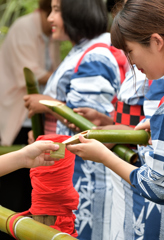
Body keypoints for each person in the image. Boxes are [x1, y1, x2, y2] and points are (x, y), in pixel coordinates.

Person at [66, 0, 164, 239]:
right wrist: (159, 126)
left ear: (156, 42)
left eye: (130, 51)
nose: (131, 62)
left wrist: (103, 156)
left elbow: (160, 187)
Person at [24, 0, 126, 239]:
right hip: (72, 173)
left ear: (77, 10)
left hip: (83, 178)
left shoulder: (96, 54)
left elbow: (88, 125)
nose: (49, 17)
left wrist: (48, 104)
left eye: (57, 10)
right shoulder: (87, 48)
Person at [0, 0, 61, 146]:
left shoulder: (52, 35)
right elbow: (31, 74)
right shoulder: (24, 27)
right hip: (18, 111)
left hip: (38, 111)